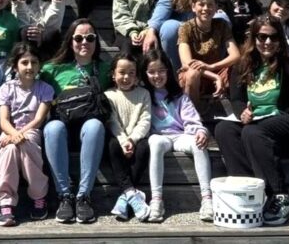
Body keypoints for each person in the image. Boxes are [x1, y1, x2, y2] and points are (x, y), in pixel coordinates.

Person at [214, 15, 289, 227]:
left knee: (252, 132)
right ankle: (251, 189)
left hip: (287, 120)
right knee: (224, 129)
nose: (267, 42)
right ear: (254, 39)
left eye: (273, 37)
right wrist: (242, 113)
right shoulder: (242, 66)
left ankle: (281, 196)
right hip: (257, 123)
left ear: (280, 40)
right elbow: (236, 98)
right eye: (262, 37)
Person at [40, 19, 111, 225]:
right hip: (62, 127)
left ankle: (83, 196)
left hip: (90, 131)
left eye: (90, 38)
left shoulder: (106, 69)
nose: (84, 42)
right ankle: (64, 195)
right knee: (52, 128)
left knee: (95, 125)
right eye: (78, 38)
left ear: (96, 42)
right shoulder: (52, 69)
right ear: (70, 41)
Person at [142, 48, 214, 223]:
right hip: (158, 136)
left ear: (168, 71)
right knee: (156, 143)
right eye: (151, 72)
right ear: (145, 73)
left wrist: (200, 131)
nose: (157, 76)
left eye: (161, 71)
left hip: (181, 135)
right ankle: (157, 199)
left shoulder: (179, 96)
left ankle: (207, 199)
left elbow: (193, 121)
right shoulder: (143, 95)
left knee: (198, 144)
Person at [0, 42, 53, 226]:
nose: (29, 67)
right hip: (9, 132)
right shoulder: (6, 88)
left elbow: (38, 119)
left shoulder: (45, 89)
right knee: (10, 149)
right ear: (15, 66)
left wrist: (20, 134)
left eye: (34, 62)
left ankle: (38, 196)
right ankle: (6, 204)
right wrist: (13, 134)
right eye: (24, 62)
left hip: (31, 132)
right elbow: (4, 120)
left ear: (39, 65)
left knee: (26, 142)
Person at [105, 53, 153, 222]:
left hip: (137, 139)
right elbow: (112, 122)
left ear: (137, 75)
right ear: (113, 74)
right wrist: (124, 141)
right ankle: (132, 193)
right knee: (111, 145)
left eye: (131, 73)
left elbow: (145, 121)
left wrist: (132, 140)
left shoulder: (144, 93)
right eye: (122, 72)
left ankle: (125, 197)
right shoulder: (109, 95)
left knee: (144, 148)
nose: (126, 77)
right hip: (118, 139)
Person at [177, 0, 241, 108]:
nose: (206, 8)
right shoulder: (185, 28)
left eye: (210, 4)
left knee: (239, 67)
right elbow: (187, 63)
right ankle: (193, 114)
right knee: (192, 74)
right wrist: (214, 76)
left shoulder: (222, 25)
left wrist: (213, 67)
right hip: (196, 75)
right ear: (193, 7)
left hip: (214, 69)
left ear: (216, 7)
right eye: (201, 4)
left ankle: (236, 107)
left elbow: (235, 55)